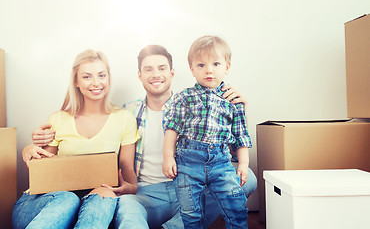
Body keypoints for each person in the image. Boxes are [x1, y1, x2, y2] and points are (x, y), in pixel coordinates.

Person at [32, 45, 257, 229]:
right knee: (128, 215)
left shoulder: (198, 106)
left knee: (248, 180)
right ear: (139, 76)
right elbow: (90, 142)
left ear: (172, 73)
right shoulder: (126, 113)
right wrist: (35, 143)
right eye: (148, 69)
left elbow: (221, 156)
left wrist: (235, 109)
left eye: (162, 68)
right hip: (144, 193)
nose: (156, 74)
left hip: (189, 188)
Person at [12, 49, 140, 229]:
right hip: (41, 207)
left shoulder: (124, 118)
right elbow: (44, 175)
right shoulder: (58, 119)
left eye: (101, 75)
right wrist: (28, 151)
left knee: (105, 195)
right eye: (87, 76)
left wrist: (129, 188)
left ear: (108, 78)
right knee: (68, 198)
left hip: (91, 203)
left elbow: (128, 174)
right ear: (76, 81)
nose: (96, 82)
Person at [162, 36, 251, 229]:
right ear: (192, 69)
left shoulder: (233, 100)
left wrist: (243, 163)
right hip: (188, 162)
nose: (209, 70)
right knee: (190, 213)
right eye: (201, 65)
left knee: (236, 208)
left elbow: (240, 135)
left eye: (216, 64)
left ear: (227, 67)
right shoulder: (184, 97)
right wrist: (168, 157)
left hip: (220, 162)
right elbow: (172, 129)